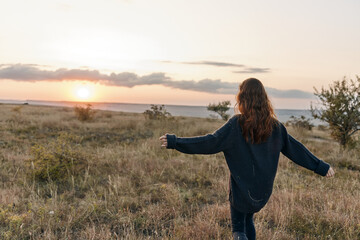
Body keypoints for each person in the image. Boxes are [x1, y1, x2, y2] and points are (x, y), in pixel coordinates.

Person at [159, 78, 335, 240]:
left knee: (238, 229)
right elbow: (297, 151)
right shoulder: (275, 127)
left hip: (241, 190)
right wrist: (321, 167)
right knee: (248, 219)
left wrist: (176, 142)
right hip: (262, 191)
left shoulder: (237, 124)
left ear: (242, 98)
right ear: (263, 98)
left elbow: (210, 142)